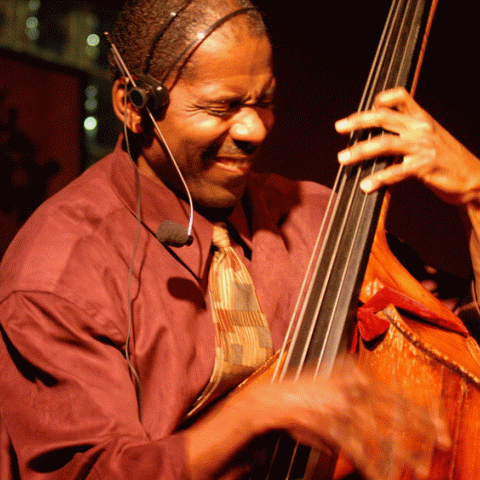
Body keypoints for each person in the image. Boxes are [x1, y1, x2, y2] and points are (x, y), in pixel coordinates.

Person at [0, 0, 478, 478]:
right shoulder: (58, 272)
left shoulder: (316, 218)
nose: (254, 130)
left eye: (264, 101)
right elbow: (93, 470)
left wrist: (475, 192)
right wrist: (256, 410)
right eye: (221, 106)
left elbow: (461, 335)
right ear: (134, 105)